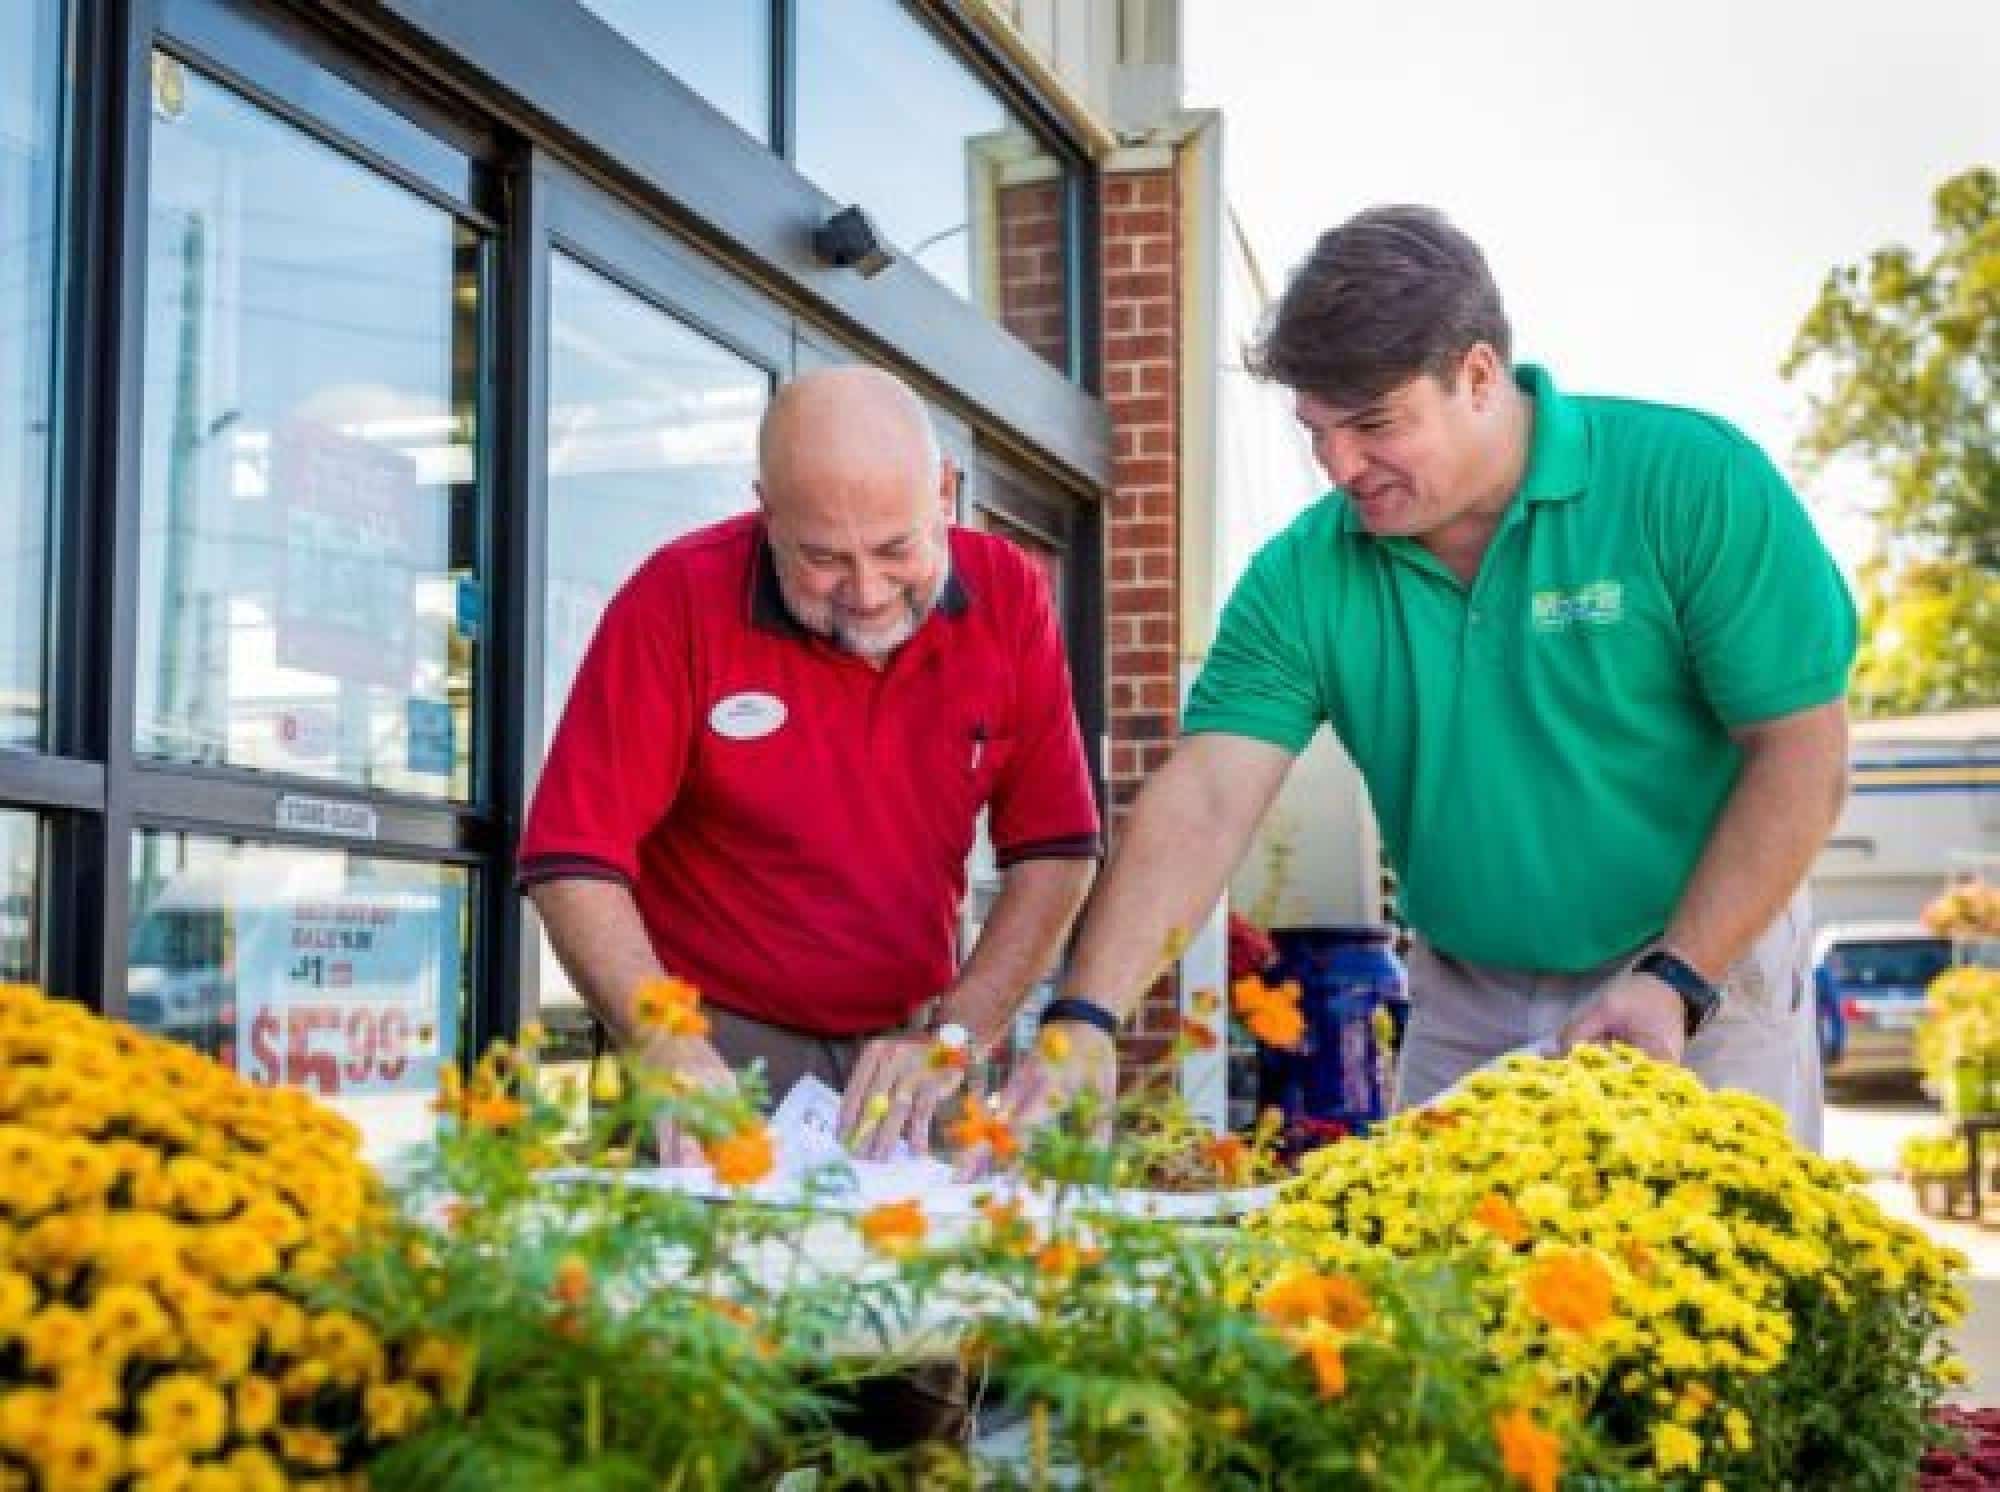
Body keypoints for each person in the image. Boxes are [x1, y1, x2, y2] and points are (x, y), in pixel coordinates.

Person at [1002, 205, 1854, 1149]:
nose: (1338, 468)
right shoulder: (1304, 574)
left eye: (1372, 425)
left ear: (1478, 376)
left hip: (1701, 976)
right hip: (1466, 999)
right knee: (1445, 1288)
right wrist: (1085, 1019)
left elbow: (1801, 753)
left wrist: (1677, 976)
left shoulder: (1690, 482)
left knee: (1714, 1284)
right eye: (1316, 431)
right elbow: (1205, 798)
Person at [519, 365, 1100, 1167]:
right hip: (714, 1047)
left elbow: (1055, 852)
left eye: (897, 549)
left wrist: (958, 1033)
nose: (866, 593)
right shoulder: (676, 597)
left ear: (944, 490)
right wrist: (664, 1040)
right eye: (823, 558)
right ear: (767, 513)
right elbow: (573, 859)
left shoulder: (1008, 598)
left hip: (910, 1048)